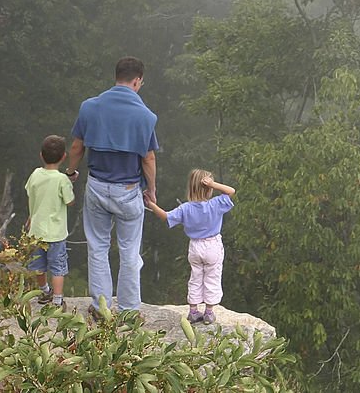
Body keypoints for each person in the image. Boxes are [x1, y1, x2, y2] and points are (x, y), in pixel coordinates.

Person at [67, 56, 158, 319]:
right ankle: (130, 311)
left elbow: (76, 147)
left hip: (96, 186)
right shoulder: (145, 116)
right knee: (129, 251)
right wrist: (151, 189)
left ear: (116, 76)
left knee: (97, 247)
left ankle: (100, 308)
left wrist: (71, 172)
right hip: (128, 190)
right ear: (137, 80)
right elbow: (148, 158)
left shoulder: (90, 107)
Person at [146, 169, 234, 325]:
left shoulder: (185, 208)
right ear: (209, 188)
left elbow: (166, 217)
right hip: (212, 245)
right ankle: (208, 312)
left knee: (196, 277)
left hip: (195, 246)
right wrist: (213, 183)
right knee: (212, 277)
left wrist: (151, 204)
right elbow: (231, 191)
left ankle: (193, 311)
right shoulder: (215, 204)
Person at [24, 135, 75, 307]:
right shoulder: (61, 179)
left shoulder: (35, 174)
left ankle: (44, 291)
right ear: (63, 157)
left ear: (41, 155)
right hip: (56, 234)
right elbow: (70, 201)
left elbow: (31, 193)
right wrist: (70, 182)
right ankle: (58, 300)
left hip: (36, 231)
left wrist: (32, 215)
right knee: (58, 267)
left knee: (39, 265)